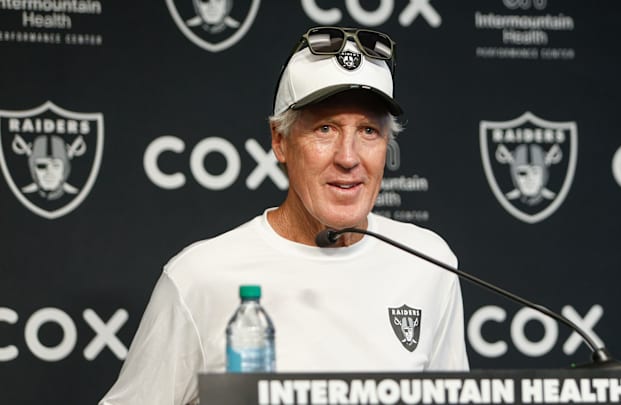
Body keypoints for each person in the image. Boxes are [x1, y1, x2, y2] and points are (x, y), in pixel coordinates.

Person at [99, 26, 468, 405]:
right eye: (325, 129)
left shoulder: (428, 263)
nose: (348, 157)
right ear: (280, 141)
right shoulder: (200, 276)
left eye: (369, 131)